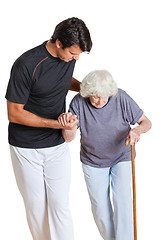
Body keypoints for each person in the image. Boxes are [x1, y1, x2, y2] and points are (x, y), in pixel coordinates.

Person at [5, 17, 92, 240]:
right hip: (26, 148)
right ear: (59, 43)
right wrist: (56, 124)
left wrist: (85, 88)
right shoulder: (26, 64)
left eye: (79, 55)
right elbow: (14, 113)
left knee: (60, 205)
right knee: (37, 208)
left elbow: (61, 78)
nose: (76, 58)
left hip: (56, 146)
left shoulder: (69, 57)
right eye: (74, 53)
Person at [58, 70, 152, 240]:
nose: (100, 101)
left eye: (104, 97)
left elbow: (146, 122)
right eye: (95, 97)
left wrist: (137, 130)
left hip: (122, 156)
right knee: (100, 208)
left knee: (123, 202)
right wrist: (68, 127)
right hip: (92, 161)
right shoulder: (79, 102)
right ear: (87, 93)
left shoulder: (120, 97)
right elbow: (67, 138)